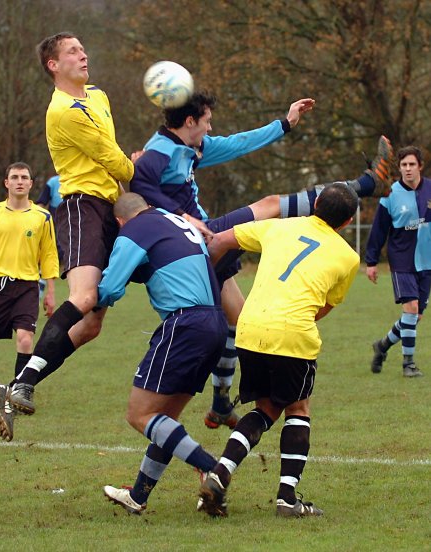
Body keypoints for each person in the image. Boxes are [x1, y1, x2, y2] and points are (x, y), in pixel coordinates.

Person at [131, 90, 393, 429]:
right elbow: (138, 184)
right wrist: (183, 215)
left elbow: (240, 143)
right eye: (208, 121)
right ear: (190, 121)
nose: (212, 129)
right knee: (270, 204)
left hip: (205, 245)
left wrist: (284, 123)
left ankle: (221, 403)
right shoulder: (160, 152)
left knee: (240, 321)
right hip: (196, 241)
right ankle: (365, 184)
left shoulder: (194, 148)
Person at [0, 32, 135, 441]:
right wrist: (152, 171)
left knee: (91, 326)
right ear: (53, 65)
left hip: (108, 208)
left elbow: (113, 153)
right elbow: (112, 159)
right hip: (80, 207)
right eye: (72, 51)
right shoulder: (64, 110)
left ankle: (16, 385)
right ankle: (22, 383)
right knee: (85, 296)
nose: (83, 53)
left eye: (83, 48)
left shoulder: (99, 96)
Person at [198, 183, 360, 518]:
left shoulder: (278, 226)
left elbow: (219, 241)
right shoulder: (348, 257)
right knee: (297, 408)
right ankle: (287, 498)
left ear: (314, 204)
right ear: (347, 223)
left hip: (251, 328)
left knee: (266, 409)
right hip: (292, 333)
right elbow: (323, 308)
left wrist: (206, 282)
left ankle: (220, 473)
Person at [98, 193, 228, 514]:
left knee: (139, 415)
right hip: (215, 322)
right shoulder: (175, 221)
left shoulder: (134, 229)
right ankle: (138, 496)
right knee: (165, 421)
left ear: (120, 222)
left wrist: (87, 294)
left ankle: (212, 469)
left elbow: (110, 289)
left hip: (185, 323)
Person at [0, 163, 58, 413]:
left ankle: (17, 394)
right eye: (14, 177)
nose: (19, 181)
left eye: (24, 177)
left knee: (25, 339)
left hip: (27, 287)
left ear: (31, 184)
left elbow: (48, 255)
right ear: (6, 183)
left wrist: (51, 292)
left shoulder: (42, 217)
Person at [366, 146, 431, 377]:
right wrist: (371, 262)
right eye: (404, 165)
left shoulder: (430, 189)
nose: (408, 169)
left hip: (427, 261)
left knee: (415, 316)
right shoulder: (390, 195)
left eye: (412, 164)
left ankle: (382, 345)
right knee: (411, 309)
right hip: (402, 259)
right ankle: (408, 364)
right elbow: (378, 230)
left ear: (420, 166)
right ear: (399, 168)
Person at [36, 174, 63, 294]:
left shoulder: (80, 180)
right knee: (48, 254)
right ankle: (40, 285)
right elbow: (41, 203)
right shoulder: (53, 182)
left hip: (73, 224)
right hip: (55, 224)